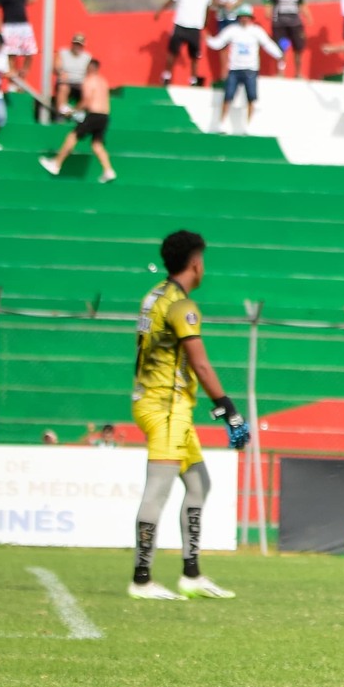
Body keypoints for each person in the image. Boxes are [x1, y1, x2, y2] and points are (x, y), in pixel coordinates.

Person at [125, 230, 249, 601]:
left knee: (198, 485)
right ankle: (142, 579)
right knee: (157, 490)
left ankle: (191, 575)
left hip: (161, 402)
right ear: (196, 263)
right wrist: (229, 410)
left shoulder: (154, 295)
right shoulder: (182, 305)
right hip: (166, 406)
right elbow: (200, 364)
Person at [205, 6, 284, 131]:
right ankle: (221, 123)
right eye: (242, 17)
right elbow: (218, 43)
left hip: (250, 70)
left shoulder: (256, 31)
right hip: (234, 69)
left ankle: (249, 125)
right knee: (228, 96)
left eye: (246, 17)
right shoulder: (232, 30)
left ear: (250, 18)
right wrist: (207, 38)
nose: (244, 19)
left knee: (251, 98)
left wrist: (279, 54)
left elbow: (267, 44)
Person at [38, 57, 117, 182]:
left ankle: (56, 164)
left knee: (72, 136)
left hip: (94, 115)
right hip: (105, 116)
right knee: (97, 144)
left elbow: (86, 100)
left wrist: (73, 111)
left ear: (89, 68)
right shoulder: (103, 81)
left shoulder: (88, 80)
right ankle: (108, 170)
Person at [158, 0, 214, 87]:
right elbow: (171, 0)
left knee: (195, 56)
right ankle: (167, 76)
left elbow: (208, 9)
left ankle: (193, 79)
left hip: (195, 27)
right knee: (172, 52)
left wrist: (205, 24)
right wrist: (161, 10)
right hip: (180, 24)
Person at [266, 0, 311, 75]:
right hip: (280, 24)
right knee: (282, 48)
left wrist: (308, 16)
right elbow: (269, 4)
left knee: (298, 48)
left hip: (295, 23)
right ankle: (281, 72)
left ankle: (298, 72)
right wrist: (268, 13)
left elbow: (302, 4)